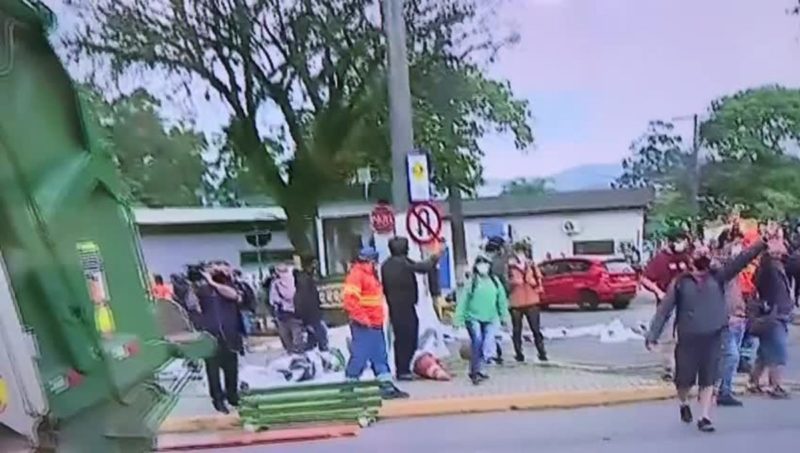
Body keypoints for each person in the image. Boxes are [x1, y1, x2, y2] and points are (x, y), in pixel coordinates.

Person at [646, 230, 775, 433]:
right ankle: (684, 403)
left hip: (714, 336)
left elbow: (742, 260)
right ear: (691, 258)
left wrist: (762, 242)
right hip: (688, 339)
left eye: (706, 252)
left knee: (709, 378)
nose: (704, 256)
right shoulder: (680, 282)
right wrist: (652, 335)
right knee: (684, 380)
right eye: (699, 253)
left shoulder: (718, 276)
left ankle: (704, 417)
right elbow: (664, 310)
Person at [342, 247, 408, 399]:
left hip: (374, 323)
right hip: (364, 324)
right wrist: (363, 319)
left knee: (380, 356)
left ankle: (386, 387)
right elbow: (350, 301)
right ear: (371, 261)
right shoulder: (357, 275)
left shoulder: (369, 275)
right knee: (360, 356)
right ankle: (348, 388)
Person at [381, 237, 441, 380]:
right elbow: (422, 268)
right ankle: (403, 370)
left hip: (394, 306)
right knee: (407, 338)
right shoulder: (402, 263)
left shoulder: (386, 265)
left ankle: (402, 368)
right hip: (405, 306)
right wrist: (434, 258)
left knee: (401, 338)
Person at [749, 230, 798, 399]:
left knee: (764, 351)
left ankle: (753, 381)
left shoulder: (777, 264)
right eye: (780, 242)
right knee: (777, 350)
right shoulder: (769, 266)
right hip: (774, 314)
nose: (784, 245)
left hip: (776, 312)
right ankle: (775, 385)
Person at [640, 228, 693, 380]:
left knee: (685, 337)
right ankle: (668, 369)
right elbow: (645, 279)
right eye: (679, 241)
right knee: (668, 338)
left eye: (683, 241)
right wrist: (658, 292)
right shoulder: (660, 259)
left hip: (686, 303)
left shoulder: (686, 257)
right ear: (671, 242)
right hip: (667, 304)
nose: (682, 244)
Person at [193, 262, 244, 414]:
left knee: (231, 369)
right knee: (213, 371)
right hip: (210, 335)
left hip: (229, 334)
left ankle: (232, 396)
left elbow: (234, 296)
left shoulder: (231, 286)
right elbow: (192, 303)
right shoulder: (202, 290)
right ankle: (218, 399)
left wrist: (213, 282)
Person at [454, 255, 510, 385]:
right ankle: (475, 372)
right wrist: (458, 319)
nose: (483, 266)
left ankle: (482, 370)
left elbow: (501, 301)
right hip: (473, 318)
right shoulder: (472, 282)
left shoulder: (495, 281)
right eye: (480, 263)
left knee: (487, 345)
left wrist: (504, 317)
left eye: (485, 263)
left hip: (491, 318)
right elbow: (463, 301)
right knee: (477, 342)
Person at [714, 229, 748, 406]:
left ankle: (723, 388)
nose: (737, 247)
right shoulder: (719, 267)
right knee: (731, 355)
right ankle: (722, 390)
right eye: (734, 243)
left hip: (738, 315)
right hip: (726, 319)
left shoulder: (734, 270)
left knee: (729, 356)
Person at [507, 242, 548, 363]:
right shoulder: (510, 267)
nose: (520, 254)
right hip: (516, 302)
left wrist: (531, 281)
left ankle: (542, 352)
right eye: (517, 252)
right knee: (517, 330)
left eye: (522, 252)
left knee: (535, 328)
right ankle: (518, 353)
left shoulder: (532, 265)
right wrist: (513, 282)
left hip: (531, 300)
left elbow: (539, 280)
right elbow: (505, 283)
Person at [294, 254, 329, 351]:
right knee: (321, 336)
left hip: (312, 313)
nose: (316, 267)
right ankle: (323, 353)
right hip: (311, 314)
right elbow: (303, 299)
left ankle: (310, 355)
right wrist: (306, 317)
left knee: (313, 339)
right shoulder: (305, 280)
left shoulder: (307, 278)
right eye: (314, 264)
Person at [483, 236, 509, 364]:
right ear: (498, 249)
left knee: (487, 328)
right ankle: (491, 355)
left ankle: (491, 353)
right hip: (493, 299)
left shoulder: (480, 260)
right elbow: (503, 282)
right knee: (493, 328)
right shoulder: (497, 263)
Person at [270, 263, 304, 354]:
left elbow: (273, 300)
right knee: (297, 336)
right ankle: (299, 354)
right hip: (295, 313)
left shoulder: (276, 283)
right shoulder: (295, 280)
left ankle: (291, 354)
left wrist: (279, 304)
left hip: (283, 314)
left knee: (286, 337)